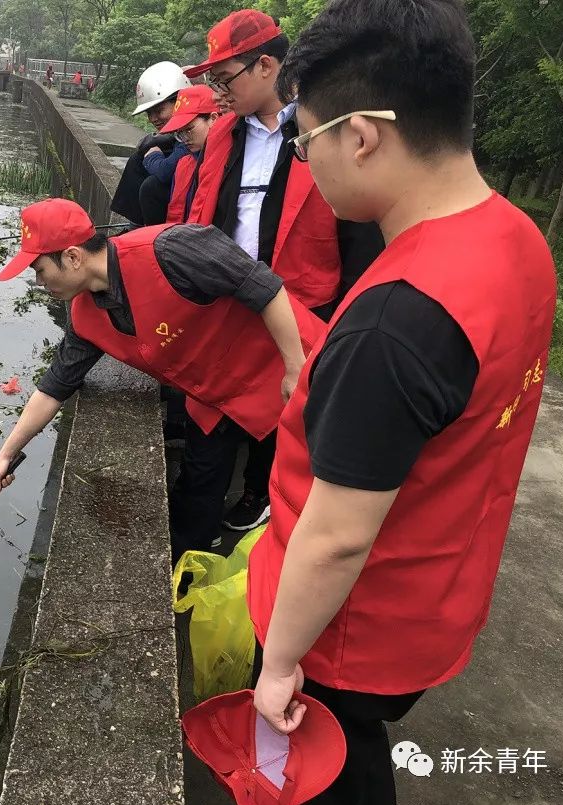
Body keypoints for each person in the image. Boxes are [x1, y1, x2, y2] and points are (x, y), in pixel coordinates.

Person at [246, 2, 557, 805]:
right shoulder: (517, 239)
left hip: (346, 633)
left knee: (319, 770)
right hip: (437, 594)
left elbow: (337, 538)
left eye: (304, 141)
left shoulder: (396, 320)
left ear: (361, 135)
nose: (305, 164)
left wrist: (279, 663)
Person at [0, 199, 327, 567]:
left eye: (39, 270)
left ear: (72, 257)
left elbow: (263, 286)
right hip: (216, 396)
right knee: (197, 491)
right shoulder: (86, 317)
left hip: (288, 366)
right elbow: (55, 386)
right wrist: (6, 454)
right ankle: (190, 568)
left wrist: (296, 368)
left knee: (314, 478)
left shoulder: (172, 249)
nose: (39, 282)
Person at [171, 10, 384, 547]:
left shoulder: (328, 128)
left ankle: (256, 501)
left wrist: (344, 327)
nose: (218, 92)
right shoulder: (223, 134)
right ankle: (190, 547)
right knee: (208, 431)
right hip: (225, 314)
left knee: (284, 426)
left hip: (301, 310)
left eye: (225, 78)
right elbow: (201, 216)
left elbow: (358, 238)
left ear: (266, 66)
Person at [110, 62, 192, 227]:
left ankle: (149, 235)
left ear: (180, 101)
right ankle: (134, 225)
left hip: (189, 191)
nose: (153, 119)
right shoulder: (179, 132)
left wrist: (153, 157)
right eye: (149, 113)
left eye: (159, 110)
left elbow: (165, 171)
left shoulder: (190, 133)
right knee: (136, 161)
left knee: (152, 187)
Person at [155, 85, 223, 223]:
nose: (185, 139)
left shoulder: (230, 161)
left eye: (189, 129)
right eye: (180, 133)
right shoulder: (184, 164)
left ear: (213, 118)